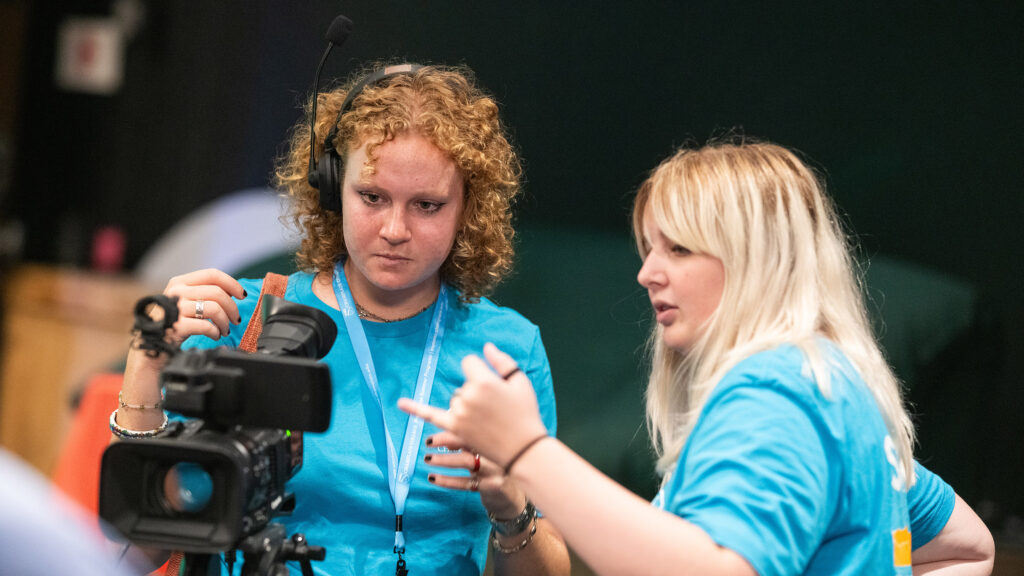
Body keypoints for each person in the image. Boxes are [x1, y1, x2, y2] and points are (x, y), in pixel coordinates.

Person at [400, 139, 995, 575]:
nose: (647, 273)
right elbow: (968, 549)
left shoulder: (773, 393)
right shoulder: (831, 381)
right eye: (649, 248)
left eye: (680, 249)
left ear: (756, 258)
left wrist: (527, 450)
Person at [112, 63, 570, 575]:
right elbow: (137, 550)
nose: (395, 229)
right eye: (372, 197)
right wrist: (146, 363)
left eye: (427, 205)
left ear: (468, 209)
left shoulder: (505, 351)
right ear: (332, 189)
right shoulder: (242, 320)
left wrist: (510, 508)